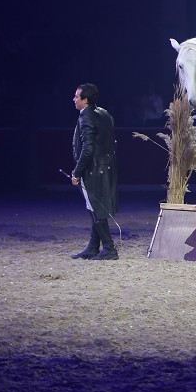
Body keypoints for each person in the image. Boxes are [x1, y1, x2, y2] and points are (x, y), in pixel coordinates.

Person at [70, 83, 119, 260]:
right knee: (95, 207)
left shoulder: (86, 117)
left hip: (93, 169)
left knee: (95, 207)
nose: (74, 100)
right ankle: (93, 246)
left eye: (77, 97)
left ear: (86, 100)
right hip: (106, 167)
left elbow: (88, 148)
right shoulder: (104, 113)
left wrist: (77, 172)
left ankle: (109, 248)